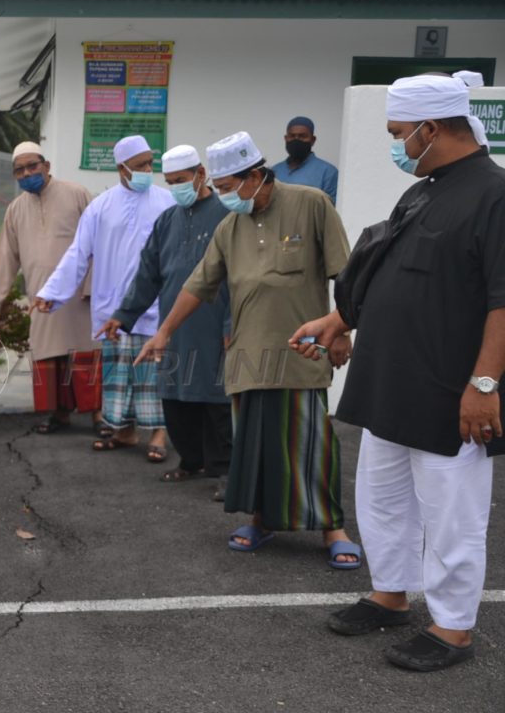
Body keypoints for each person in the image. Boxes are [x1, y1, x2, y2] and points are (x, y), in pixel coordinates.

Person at [291, 71, 504, 672]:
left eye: (399, 134)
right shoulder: (424, 188)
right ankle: (390, 595)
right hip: (391, 383)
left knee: (451, 512)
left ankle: (453, 628)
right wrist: (339, 321)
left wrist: (485, 385)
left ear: (431, 129)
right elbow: (390, 268)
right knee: (383, 500)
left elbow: (502, 300)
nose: (397, 145)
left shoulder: (494, 194)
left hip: (449, 391)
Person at [137, 131, 360, 568]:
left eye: (225, 188)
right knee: (255, 446)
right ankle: (261, 520)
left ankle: (333, 527)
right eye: (217, 190)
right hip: (247, 355)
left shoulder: (312, 203)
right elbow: (198, 285)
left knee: (311, 443)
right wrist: (163, 332)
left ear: (255, 176)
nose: (222, 198)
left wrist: (342, 331)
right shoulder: (229, 226)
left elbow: (345, 273)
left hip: (303, 352)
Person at [97, 145, 232, 501]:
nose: (176, 188)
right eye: (170, 182)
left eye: (181, 180)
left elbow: (238, 277)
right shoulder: (167, 221)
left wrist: (230, 324)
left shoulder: (226, 216)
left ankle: (226, 471)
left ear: (201, 174)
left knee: (215, 398)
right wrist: (123, 316)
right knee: (174, 396)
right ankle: (191, 460)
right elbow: (147, 275)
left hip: (214, 321)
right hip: (172, 325)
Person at [32, 135, 174, 459]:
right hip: (112, 309)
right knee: (119, 376)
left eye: (150, 164)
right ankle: (125, 433)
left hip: (154, 307)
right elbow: (78, 254)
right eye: (140, 165)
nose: (147, 170)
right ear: (121, 167)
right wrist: (51, 293)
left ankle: (159, 438)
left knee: (152, 376)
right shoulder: (100, 206)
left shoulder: (167, 202)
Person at [0, 142, 105, 436]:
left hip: (79, 296)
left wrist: (91, 286)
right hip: (42, 298)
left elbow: (98, 244)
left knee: (87, 354)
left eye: (32, 166)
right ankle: (59, 414)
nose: (27, 173)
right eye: (19, 170)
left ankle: (99, 416)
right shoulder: (15, 210)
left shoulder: (77, 194)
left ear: (46, 166)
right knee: (49, 356)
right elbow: (6, 257)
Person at [273, 116, 339, 204]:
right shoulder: (274, 171)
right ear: (286, 138)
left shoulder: (328, 173)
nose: (296, 140)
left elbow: (331, 210)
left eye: (302, 136)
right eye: (292, 136)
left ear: (313, 140)